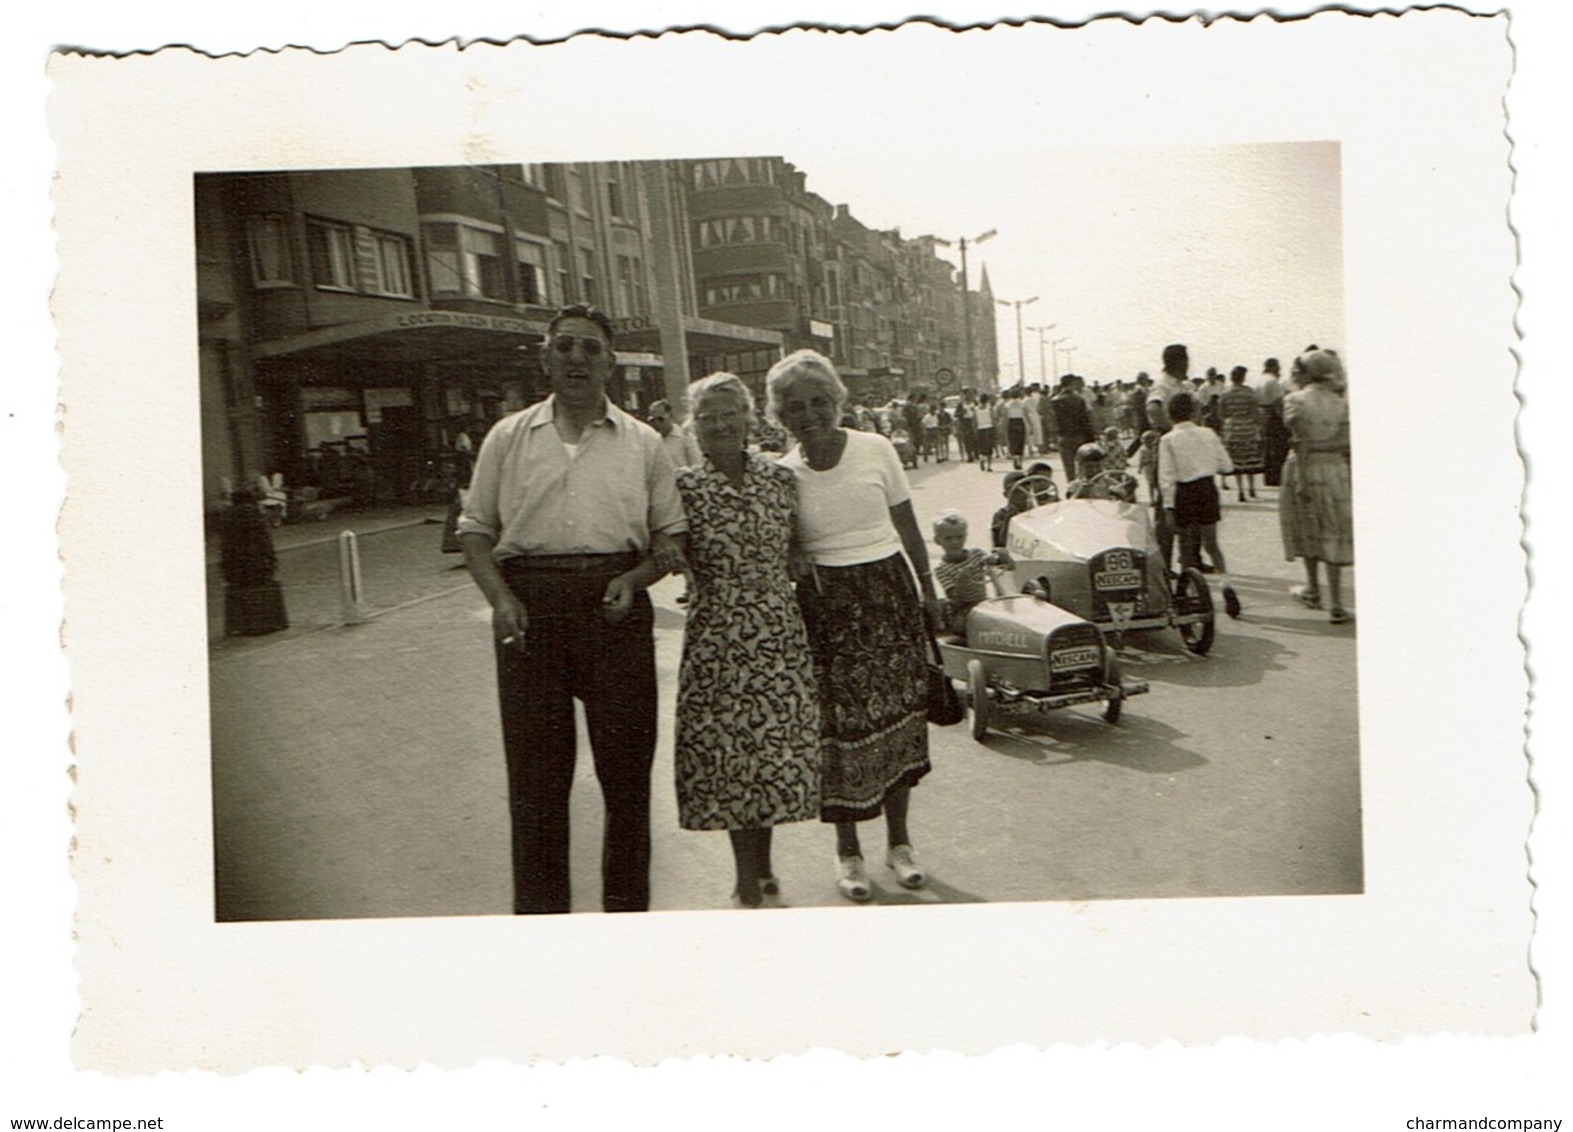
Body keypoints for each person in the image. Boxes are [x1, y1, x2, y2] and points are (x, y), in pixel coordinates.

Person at [457, 303, 686, 915]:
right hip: (529, 616)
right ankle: (542, 926)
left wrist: (637, 578)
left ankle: (625, 921)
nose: (577, 359)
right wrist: (500, 599)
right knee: (535, 789)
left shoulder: (643, 443)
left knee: (628, 785)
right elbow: (475, 531)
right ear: (545, 358)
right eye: (566, 347)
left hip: (616, 613)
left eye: (590, 348)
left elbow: (672, 540)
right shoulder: (507, 438)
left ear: (611, 361)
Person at [770, 349, 938, 903]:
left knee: (897, 720)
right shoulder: (781, 474)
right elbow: (785, 548)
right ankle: (848, 853)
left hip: (888, 596)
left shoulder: (877, 449)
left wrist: (929, 591)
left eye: (820, 401)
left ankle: (900, 844)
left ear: (837, 401)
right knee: (838, 735)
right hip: (825, 607)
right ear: (780, 416)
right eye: (795, 407)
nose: (810, 414)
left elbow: (908, 528)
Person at [670, 373, 821, 909]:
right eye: (707, 415)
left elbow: (800, 549)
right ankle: (745, 877)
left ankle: (765, 865)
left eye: (729, 412)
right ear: (694, 424)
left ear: (750, 418)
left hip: (778, 630)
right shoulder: (684, 486)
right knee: (732, 756)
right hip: (719, 635)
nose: (720, 424)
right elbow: (665, 548)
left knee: (771, 753)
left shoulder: (780, 480)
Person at [1283, 349, 1354, 624]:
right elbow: (1345, 442)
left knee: (1307, 527)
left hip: (1303, 469)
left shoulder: (1294, 400)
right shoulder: (1340, 403)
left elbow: (1299, 442)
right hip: (1334, 469)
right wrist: (1322, 447)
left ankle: (1313, 588)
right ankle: (1336, 603)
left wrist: (1303, 471)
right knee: (1332, 531)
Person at [1158, 391, 1241, 619]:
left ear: (1170, 414)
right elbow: (1227, 466)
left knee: (1186, 547)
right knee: (1211, 544)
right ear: (1194, 412)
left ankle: (1188, 594)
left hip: (1184, 493)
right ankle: (1226, 585)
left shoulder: (1168, 440)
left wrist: (1168, 507)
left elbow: (1166, 477)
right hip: (1207, 489)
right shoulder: (1208, 433)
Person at [931, 510, 1011, 640]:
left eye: (959, 537)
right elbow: (955, 602)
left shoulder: (976, 554)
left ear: (966, 536)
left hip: (983, 602)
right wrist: (961, 583)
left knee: (1005, 617)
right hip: (963, 610)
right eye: (948, 538)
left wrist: (1003, 557)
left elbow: (1004, 565)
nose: (955, 542)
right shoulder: (942, 569)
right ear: (937, 541)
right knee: (966, 625)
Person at [1219, 365, 1265, 502]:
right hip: (1247, 428)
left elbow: (1221, 414)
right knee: (1249, 460)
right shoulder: (1249, 393)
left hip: (1232, 429)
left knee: (1237, 462)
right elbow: (1255, 412)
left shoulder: (1225, 394)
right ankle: (1251, 488)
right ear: (1243, 377)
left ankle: (1240, 490)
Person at [1050, 373, 1096, 483]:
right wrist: (1091, 438)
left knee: (1068, 467)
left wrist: (1053, 438)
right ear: (1071, 384)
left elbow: (1052, 422)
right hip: (1079, 436)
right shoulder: (1078, 399)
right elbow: (1085, 420)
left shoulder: (1054, 400)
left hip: (1063, 437)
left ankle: (1071, 488)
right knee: (1082, 466)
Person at [1258, 357, 1291, 487]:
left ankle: (1269, 477)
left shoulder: (1261, 380)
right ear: (1273, 367)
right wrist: (1284, 419)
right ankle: (1276, 476)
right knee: (1278, 447)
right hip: (1273, 415)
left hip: (1263, 414)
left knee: (1268, 446)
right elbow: (1278, 402)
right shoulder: (1273, 381)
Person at [647, 398, 702, 469]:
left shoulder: (685, 437)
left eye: (661, 419)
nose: (656, 423)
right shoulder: (649, 440)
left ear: (671, 416)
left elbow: (697, 465)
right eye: (652, 420)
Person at [974, 393, 998, 471]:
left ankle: (982, 458)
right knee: (990, 448)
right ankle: (989, 466)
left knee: (982, 447)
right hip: (989, 427)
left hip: (980, 429)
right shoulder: (990, 408)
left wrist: (975, 429)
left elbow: (974, 421)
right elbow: (993, 418)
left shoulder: (975, 409)